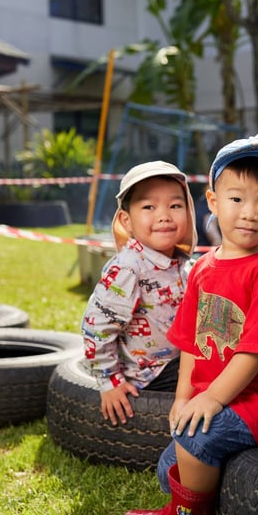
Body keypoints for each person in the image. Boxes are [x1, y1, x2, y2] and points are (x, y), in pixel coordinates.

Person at [121, 134, 258, 515]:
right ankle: (214, 501)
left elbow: (255, 352)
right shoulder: (204, 267)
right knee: (168, 471)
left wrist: (212, 400)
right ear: (211, 200)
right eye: (237, 199)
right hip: (229, 396)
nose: (250, 213)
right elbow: (190, 342)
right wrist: (184, 397)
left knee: (194, 441)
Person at [81, 161, 197, 426]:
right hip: (151, 373)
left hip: (180, 358)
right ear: (126, 220)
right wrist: (110, 382)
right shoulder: (129, 268)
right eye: (149, 207)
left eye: (175, 206)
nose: (164, 215)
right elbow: (96, 326)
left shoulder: (184, 263)